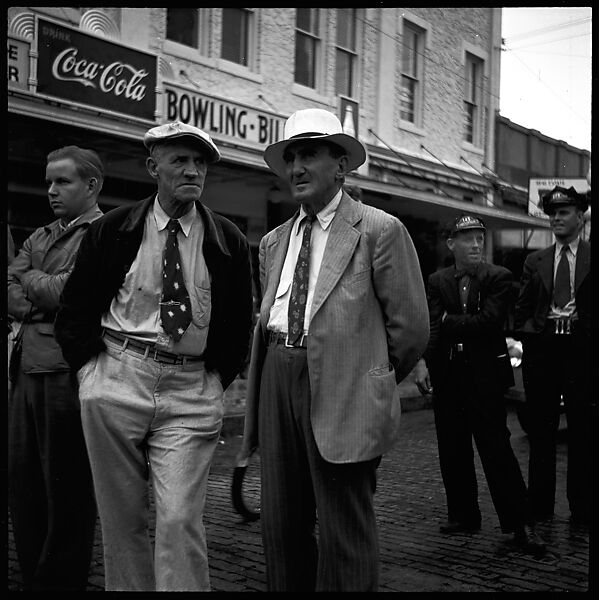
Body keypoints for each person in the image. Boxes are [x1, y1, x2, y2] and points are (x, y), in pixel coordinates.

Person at [54, 121, 254, 592]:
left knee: (180, 519)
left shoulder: (226, 239)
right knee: (121, 520)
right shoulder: (113, 228)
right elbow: (76, 308)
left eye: (200, 162)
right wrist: (91, 375)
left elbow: (238, 325)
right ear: (153, 168)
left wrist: (211, 382)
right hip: (116, 377)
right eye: (179, 160)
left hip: (190, 389)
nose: (192, 170)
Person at [237, 107, 429, 591]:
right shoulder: (275, 240)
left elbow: (410, 329)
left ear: (341, 165)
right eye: (291, 157)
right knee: (280, 524)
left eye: (309, 155)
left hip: (344, 387)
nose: (296, 168)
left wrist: (368, 374)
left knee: (344, 528)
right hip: (277, 375)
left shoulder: (380, 230)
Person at [413, 214, 546, 554]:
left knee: (497, 449)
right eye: (467, 238)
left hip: (484, 377)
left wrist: (449, 320)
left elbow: (488, 323)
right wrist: (424, 361)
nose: (475, 244)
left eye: (479, 238)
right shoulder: (436, 279)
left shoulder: (498, 277)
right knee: (452, 448)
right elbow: (433, 326)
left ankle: (521, 525)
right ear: (451, 244)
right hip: (449, 374)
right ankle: (463, 515)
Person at [7, 145, 104, 591]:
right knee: (24, 489)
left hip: (66, 373)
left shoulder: (103, 234)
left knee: (66, 491)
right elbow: (10, 287)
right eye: (48, 181)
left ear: (91, 185)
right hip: (24, 369)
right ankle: (33, 578)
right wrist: (36, 288)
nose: (51, 190)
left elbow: (69, 293)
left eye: (62, 181)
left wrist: (30, 283)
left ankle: (58, 582)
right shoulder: (41, 235)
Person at [514, 186, 591, 528]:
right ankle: (540, 504)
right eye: (552, 213)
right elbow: (522, 308)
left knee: (583, 430)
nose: (557, 218)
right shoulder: (536, 260)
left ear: (580, 216)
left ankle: (583, 506)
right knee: (542, 429)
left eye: (564, 212)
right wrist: (531, 334)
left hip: (582, 352)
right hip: (543, 351)